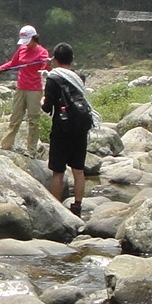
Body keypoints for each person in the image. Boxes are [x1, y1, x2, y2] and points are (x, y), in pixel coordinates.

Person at [41, 43, 95, 216]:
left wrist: (43, 100)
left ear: (55, 59)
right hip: (80, 127)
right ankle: (77, 207)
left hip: (62, 128)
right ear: (72, 59)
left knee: (58, 171)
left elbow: (48, 107)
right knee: (78, 171)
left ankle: (57, 209)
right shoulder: (79, 77)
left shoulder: (53, 78)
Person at [0, 25, 50, 154]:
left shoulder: (43, 52)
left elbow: (46, 70)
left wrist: (48, 64)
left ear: (34, 38)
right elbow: (13, 64)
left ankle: (31, 150)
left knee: (33, 119)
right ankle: (6, 145)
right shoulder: (22, 49)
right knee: (15, 117)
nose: (26, 44)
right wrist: (0, 68)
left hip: (34, 90)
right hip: (21, 87)